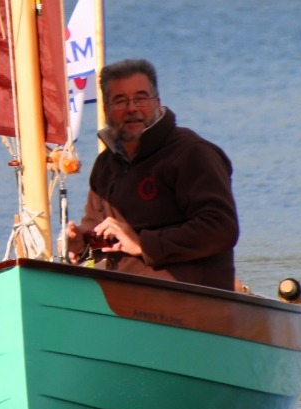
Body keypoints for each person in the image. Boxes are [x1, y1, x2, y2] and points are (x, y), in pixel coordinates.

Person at [66, 59, 240, 291]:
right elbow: (98, 231)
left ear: (157, 103)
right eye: (120, 101)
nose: (132, 108)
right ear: (106, 111)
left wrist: (143, 245)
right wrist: (81, 243)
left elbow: (221, 228)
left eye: (140, 98)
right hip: (120, 297)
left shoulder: (191, 153)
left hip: (189, 298)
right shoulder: (105, 165)